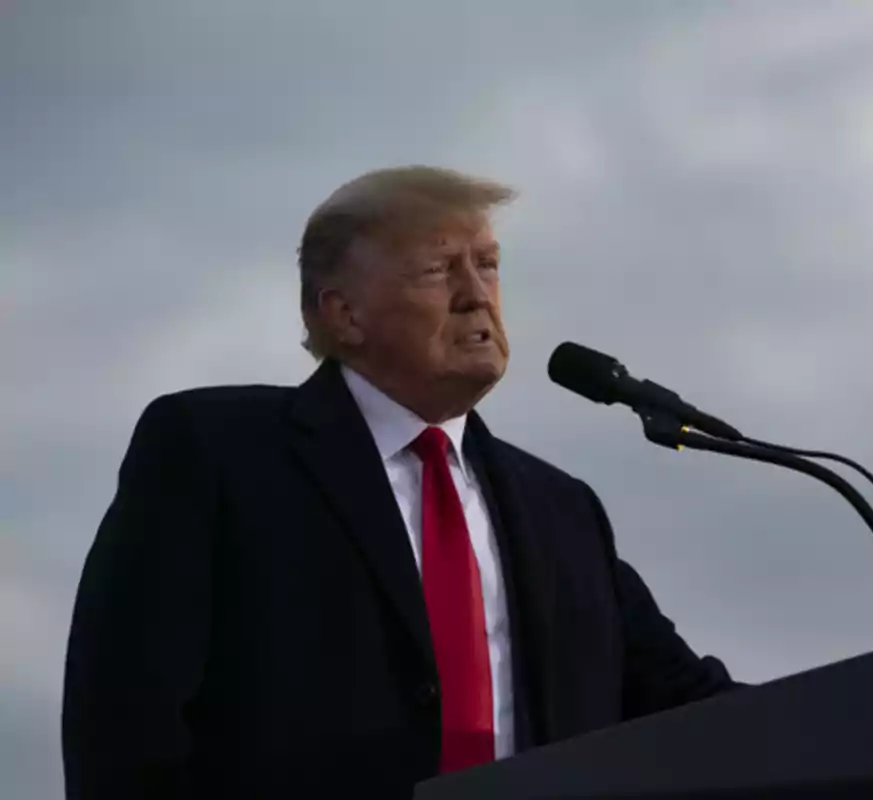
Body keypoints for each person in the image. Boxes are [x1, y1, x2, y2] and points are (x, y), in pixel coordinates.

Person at [62, 166, 739, 799]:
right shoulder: (215, 453)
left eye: (487, 264)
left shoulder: (563, 511)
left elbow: (690, 705)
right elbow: (125, 721)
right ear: (344, 314)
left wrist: (845, 712)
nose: (476, 294)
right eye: (437, 270)